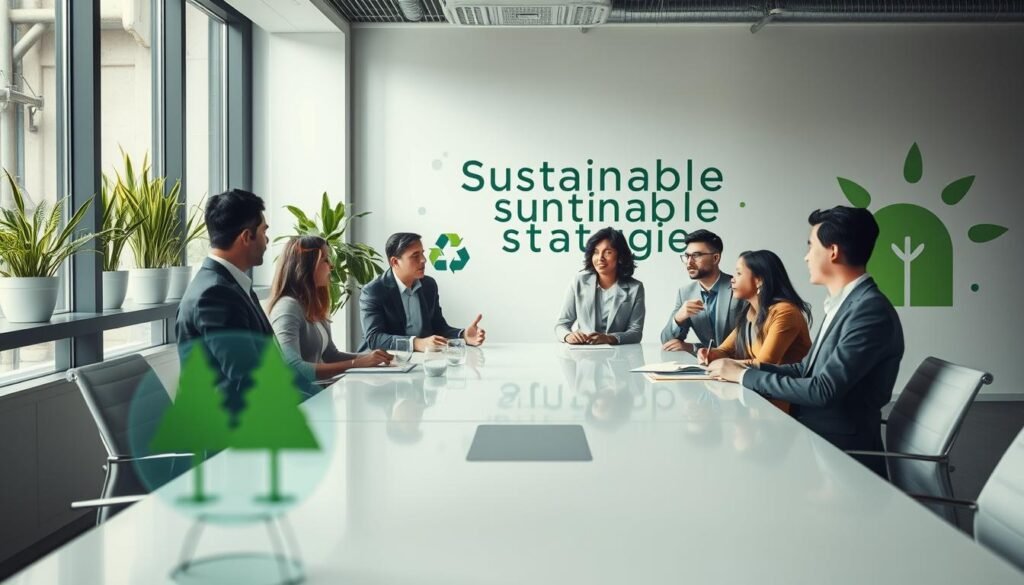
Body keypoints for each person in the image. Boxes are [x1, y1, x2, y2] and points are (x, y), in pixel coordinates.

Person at [707, 206, 904, 478]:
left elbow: (823, 390)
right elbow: (804, 369)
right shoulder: (846, 304)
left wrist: (743, 376)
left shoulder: (868, 311)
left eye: (811, 246)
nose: (806, 256)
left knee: (735, 468)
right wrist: (746, 369)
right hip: (815, 435)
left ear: (833, 251)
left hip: (840, 455)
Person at [176, 188, 274, 420]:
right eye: (264, 231)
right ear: (246, 237)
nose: (267, 240)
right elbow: (248, 381)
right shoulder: (215, 294)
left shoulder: (231, 285)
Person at [698, 250, 813, 414]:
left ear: (759, 280)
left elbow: (765, 363)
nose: (732, 279)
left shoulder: (784, 312)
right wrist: (710, 354)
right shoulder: (750, 312)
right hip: (763, 398)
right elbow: (725, 349)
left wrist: (726, 365)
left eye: (739, 273)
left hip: (789, 405)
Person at [268, 236, 393, 381]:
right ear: (307, 266)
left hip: (319, 389)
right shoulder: (287, 307)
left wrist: (371, 357)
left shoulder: (313, 305)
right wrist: (356, 363)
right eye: (325, 260)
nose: (332, 266)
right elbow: (294, 368)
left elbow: (330, 355)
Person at [358, 232, 486, 352]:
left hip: (419, 360)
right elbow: (374, 338)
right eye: (415, 256)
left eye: (422, 254)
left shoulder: (428, 285)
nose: (424, 260)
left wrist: (463, 335)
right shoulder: (373, 291)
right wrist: (416, 343)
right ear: (395, 262)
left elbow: (438, 327)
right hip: (382, 362)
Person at [555, 227, 645, 345]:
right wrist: (568, 336)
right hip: (584, 351)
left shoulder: (635, 288)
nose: (600, 258)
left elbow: (636, 332)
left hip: (618, 353)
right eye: (596, 252)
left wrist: (610, 338)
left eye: (608, 252)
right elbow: (561, 325)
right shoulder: (578, 282)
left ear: (620, 256)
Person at [660, 229, 745, 354]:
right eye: (687, 256)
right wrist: (678, 318)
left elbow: (749, 341)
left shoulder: (739, 287)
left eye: (696, 256)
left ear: (715, 258)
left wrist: (693, 348)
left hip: (739, 362)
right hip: (705, 364)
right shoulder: (685, 293)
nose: (689, 262)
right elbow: (667, 342)